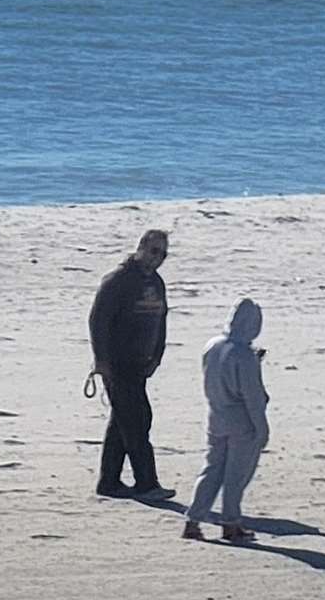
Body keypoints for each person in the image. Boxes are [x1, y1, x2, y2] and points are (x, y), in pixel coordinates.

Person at [88, 228, 172, 501]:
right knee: (137, 420)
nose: (156, 258)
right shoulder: (118, 280)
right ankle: (146, 483)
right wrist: (101, 360)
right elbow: (98, 321)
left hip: (140, 365)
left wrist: (157, 356)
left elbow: (161, 321)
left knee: (122, 421)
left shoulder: (156, 283)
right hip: (117, 364)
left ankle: (109, 482)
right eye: (153, 251)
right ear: (141, 248)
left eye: (163, 254)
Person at [181, 298, 269, 543]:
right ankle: (231, 523)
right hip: (241, 421)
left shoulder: (213, 345)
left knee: (211, 469)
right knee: (236, 476)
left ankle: (193, 520)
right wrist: (262, 430)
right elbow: (253, 398)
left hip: (216, 415)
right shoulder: (244, 355)